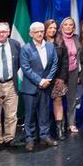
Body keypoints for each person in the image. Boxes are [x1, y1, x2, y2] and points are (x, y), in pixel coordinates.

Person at [19, 21, 59, 151]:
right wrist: (40, 81)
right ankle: (29, 139)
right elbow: (26, 68)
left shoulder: (50, 46)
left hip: (46, 86)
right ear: (31, 33)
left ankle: (45, 136)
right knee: (29, 115)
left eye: (42, 31)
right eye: (37, 32)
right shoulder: (26, 48)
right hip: (31, 87)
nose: (40, 34)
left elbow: (54, 64)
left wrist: (48, 80)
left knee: (44, 113)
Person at [0, 23, 21, 148]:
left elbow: (17, 64)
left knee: (11, 114)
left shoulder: (15, 44)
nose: (1, 34)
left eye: (4, 32)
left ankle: (9, 138)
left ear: (8, 32)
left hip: (10, 83)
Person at [43, 19, 71, 140]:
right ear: (45, 29)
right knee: (42, 104)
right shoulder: (40, 42)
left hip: (57, 79)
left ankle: (60, 130)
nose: (53, 30)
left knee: (58, 102)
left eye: (54, 28)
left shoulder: (60, 42)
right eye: (50, 28)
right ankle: (42, 131)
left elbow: (65, 62)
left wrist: (62, 77)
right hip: (42, 79)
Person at [54, 17, 81, 135]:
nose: (68, 27)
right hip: (60, 74)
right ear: (62, 26)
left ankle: (71, 123)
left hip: (73, 71)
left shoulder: (76, 38)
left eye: (71, 25)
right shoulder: (57, 38)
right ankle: (60, 124)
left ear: (74, 27)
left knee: (72, 99)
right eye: (66, 25)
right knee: (58, 99)